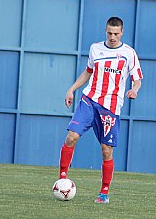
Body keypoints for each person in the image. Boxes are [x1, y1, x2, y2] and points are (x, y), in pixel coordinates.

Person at [58, 16, 143, 203]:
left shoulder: (129, 53)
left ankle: (104, 193)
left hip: (111, 107)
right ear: (105, 31)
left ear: (122, 33)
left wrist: (134, 90)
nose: (112, 37)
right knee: (72, 136)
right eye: (109, 33)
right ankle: (62, 179)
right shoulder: (95, 49)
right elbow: (88, 72)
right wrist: (72, 89)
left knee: (106, 151)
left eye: (116, 33)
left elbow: (137, 79)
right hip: (89, 99)